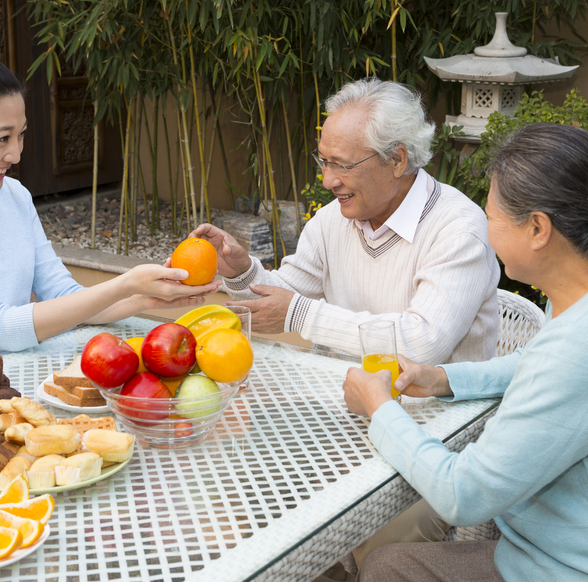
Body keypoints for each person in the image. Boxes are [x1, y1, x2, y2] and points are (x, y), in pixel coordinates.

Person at [342, 123, 588, 582]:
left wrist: (380, 410)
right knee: (392, 568)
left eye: (491, 213)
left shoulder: (587, 342)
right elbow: (535, 362)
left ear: (538, 228)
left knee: (385, 572)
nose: (483, 222)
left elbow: (465, 493)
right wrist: (441, 378)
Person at [0, 37, 218, 384]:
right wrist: (125, 282)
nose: (16, 154)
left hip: (9, 390)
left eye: (21, 135)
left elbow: (63, 297)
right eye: (2, 138)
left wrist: (143, 295)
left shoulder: (12, 197)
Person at [192, 77, 500, 366]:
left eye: (342, 165)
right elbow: (285, 297)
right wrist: (242, 273)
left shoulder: (458, 229)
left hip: (437, 417)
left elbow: (422, 345)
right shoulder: (332, 221)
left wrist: (302, 316)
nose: (327, 181)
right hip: (341, 404)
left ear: (397, 160)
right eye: (324, 161)